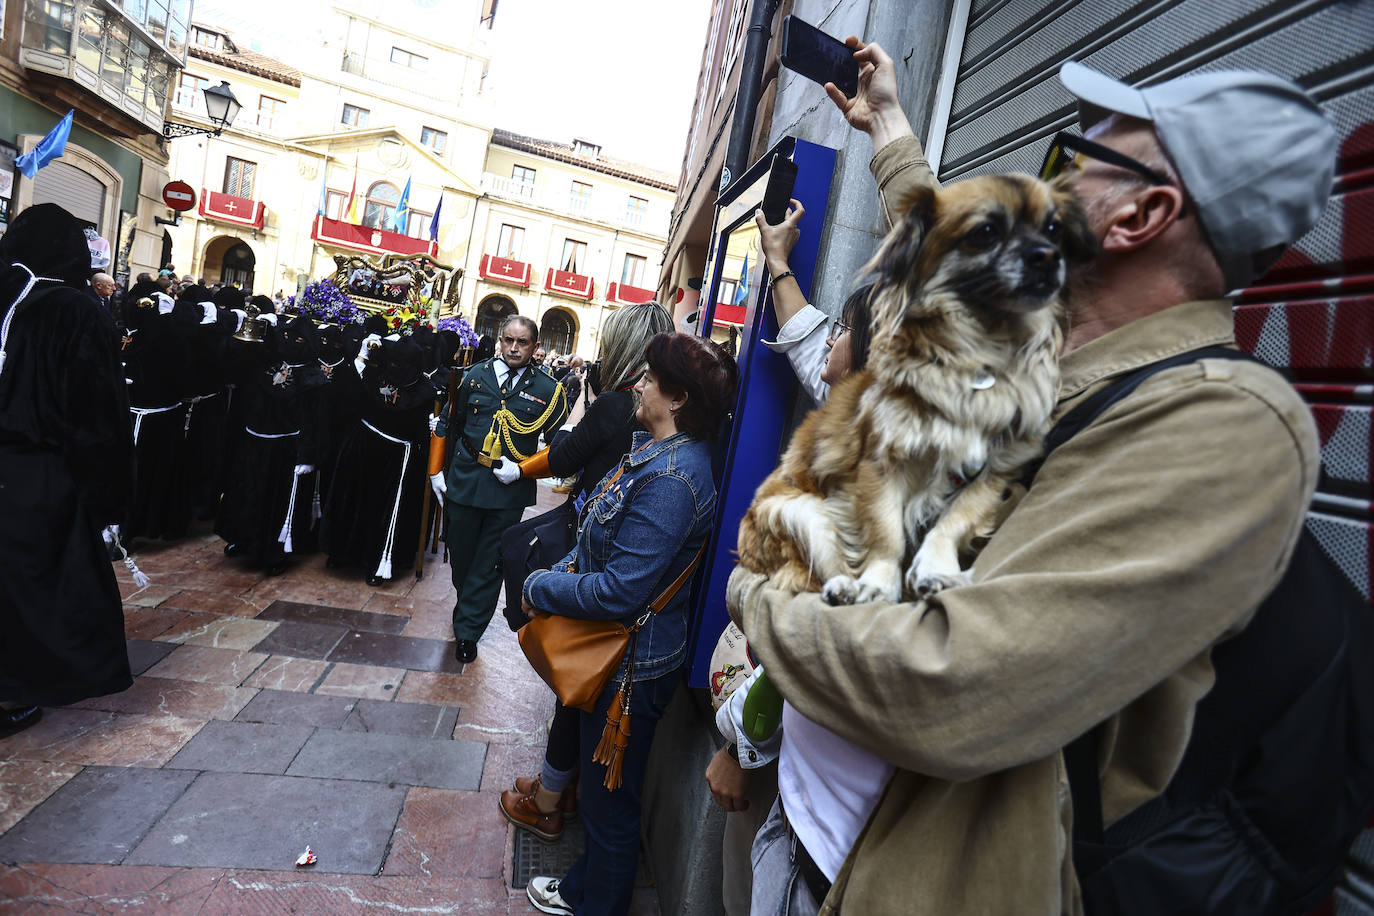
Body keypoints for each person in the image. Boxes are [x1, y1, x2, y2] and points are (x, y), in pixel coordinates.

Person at [727, 41, 1333, 915]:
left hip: (892, 883)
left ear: (1137, 217)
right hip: (804, 822)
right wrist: (890, 122)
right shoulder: (1037, 330)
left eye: (1083, 162)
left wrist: (757, 602)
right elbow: (944, 228)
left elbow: (945, 684)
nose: (1058, 182)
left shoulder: (1224, 427)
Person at [523, 332, 738, 916]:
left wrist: (541, 585)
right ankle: (579, 890)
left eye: (649, 379)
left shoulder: (674, 479)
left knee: (609, 807)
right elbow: (598, 541)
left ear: (678, 399)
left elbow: (620, 589)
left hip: (630, 668)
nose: (638, 385)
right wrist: (565, 570)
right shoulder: (654, 452)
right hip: (622, 658)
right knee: (604, 799)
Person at [706, 205, 875, 916]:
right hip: (789, 765)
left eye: (845, 330)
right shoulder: (851, 415)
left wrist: (744, 744)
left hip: (801, 792)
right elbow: (809, 342)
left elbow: (816, 626)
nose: (826, 335)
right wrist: (777, 260)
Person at [497, 301, 674, 843]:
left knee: (571, 683)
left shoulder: (620, 408)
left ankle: (549, 801)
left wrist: (519, 469)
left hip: (596, 565)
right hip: (624, 576)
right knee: (580, 689)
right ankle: (558, 786)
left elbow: (568, 455)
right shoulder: (654, 422)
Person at [0, 204, 135, 735]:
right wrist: (107, 494)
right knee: (34, 584)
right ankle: (14, 689)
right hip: (36, 472)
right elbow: (96, 414)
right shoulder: (75, 309)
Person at [431, 315, 568, 663]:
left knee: (491, 562)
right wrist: (436, 472)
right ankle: (468, 605)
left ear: (536, 348)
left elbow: (560, 446)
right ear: (499, 340)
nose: (513, 348)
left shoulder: (548, 390)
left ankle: (468, 630)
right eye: (508, 340)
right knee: (461, 556)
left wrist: (523, 470)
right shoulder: (473, 377)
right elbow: (450, 422)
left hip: (508, 491)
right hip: (465, 479)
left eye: (522, 343)